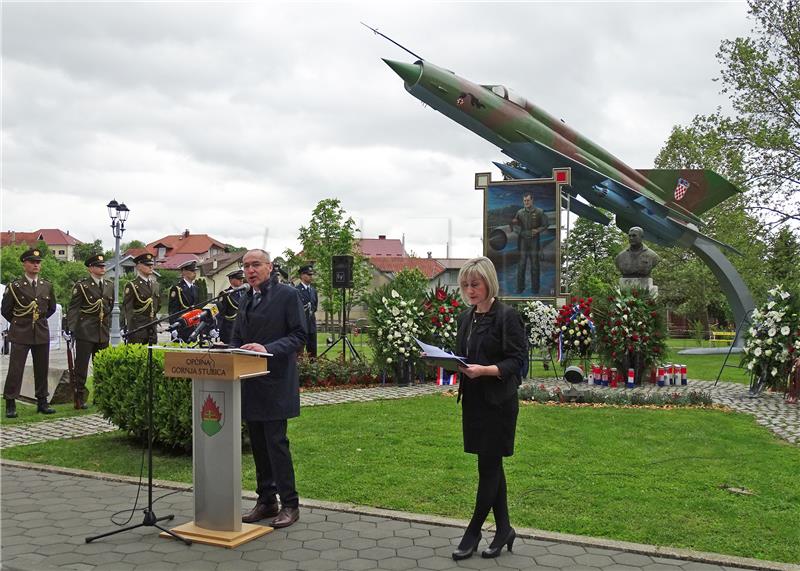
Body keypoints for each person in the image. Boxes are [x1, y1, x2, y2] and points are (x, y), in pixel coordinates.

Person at [452, 256, 526, 560]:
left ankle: (473, 530)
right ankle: (505, 528)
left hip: (498, 403)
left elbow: (517, 362)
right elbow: (462, 356)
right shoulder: (465, 318)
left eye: (475, 284)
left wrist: (485, 370)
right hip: (473, 402)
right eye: (466, 285)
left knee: (489, 467)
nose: (470, 290)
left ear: (488, 283)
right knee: (491, 466)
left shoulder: (507, 316)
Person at [231, 249, 306, 529]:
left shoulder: (287, 295)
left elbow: (299, 335)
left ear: (269, 266)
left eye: (256, 265)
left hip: (275, 382)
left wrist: (267, 349)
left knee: (276, 445)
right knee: (258, 447)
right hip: (250, 383)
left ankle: (290, 504)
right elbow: (238, 336)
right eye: (246, 266)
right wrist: (226, 349)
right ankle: (266, 501)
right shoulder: (245, 297)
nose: (250, 271)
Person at [2, 248, 57, 417]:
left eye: (38, 262)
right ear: (24, 264)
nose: (36, 265)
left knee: (42, 368)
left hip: (40, 330)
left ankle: (42, 401)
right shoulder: (15, 286)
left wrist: (37, 321)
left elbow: (51, 308)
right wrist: (20, 323)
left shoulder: (46, 286)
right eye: (32, 262)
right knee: (16, 369)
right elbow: (6, 310)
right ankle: (10, 403)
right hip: (20, 331)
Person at [66, 254, 114, 409]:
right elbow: (74, 309)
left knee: (101, 365)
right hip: (85, 331)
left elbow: (109, 307)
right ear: (90, 268)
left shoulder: (109, 285)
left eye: (103, 266)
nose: (103, 268)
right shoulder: (82, 286)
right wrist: (71, 329)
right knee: (81, 367)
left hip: (102, 330)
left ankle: (100, 396)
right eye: (99, 266)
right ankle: (79, 397)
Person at [510, 192, 548, 294]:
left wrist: (538, 230)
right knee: (521, 265)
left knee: (535, 265)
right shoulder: (520, 213)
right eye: (524, 201)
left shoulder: (539, 212)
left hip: (534, 240)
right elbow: (514, 225)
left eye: (528, 200)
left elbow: (545, 224)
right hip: (522, 240)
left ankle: (535, 289)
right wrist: (520, 232)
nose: (526, 202)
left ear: (532, 200)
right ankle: (520, 288)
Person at [122, 253, 160, 344]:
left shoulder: (155, 285)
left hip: (152, 327)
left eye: (151, 265)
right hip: (137, 328)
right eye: (147, 265)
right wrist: (126, 327)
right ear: (139, 267)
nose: (151, 267)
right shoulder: (132, 285)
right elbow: (128, 308)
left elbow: (158, 305)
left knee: (152, 356)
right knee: (136, 355)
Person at [168, 260, 199, 342]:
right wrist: (173, 328)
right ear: (184, 271)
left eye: (195, 271)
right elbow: (172, 310)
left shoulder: (195, 288)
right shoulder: (177, 289)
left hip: (192, 326)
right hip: (180, 326)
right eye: (192, 271)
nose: (194, 273)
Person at [216, 268, 245, 345]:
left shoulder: (245, 293)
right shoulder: (225, 294)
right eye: (238, 279)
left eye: (242, 278)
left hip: (242, 329)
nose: (241, 280)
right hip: (229, 329)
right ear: (231, 280)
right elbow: (221, 314)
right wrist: (218, 329)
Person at [295, 265, 318, 358]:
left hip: (311, 325)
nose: (311, 277)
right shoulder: (296, 290)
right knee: (299, 353)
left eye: (312, 275)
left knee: (313, 353)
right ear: (302, 275)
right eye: (309, 275)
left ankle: (313, 371)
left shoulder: (313, 290)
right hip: (301, 326)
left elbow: (315, 306)